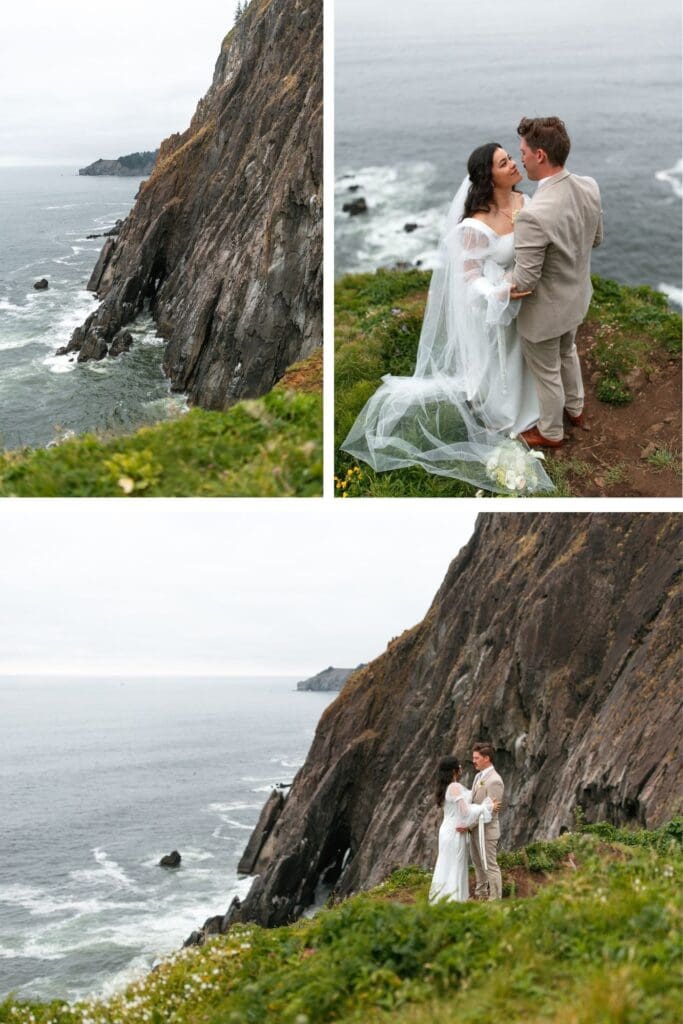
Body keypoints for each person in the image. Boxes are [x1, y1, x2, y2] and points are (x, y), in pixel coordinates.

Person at [340, 142, 554, 495]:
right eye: (504, 163)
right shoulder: (475, 225)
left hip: (524, 297)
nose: (514, 165)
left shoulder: (525, 202)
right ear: (490, 177)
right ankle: (507, 412)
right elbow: (468, 276)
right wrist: (498, 293)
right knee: (503, 356)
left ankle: (534, 405)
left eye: (511, 158)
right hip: (494, 302)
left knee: (527, 351)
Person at [511, 116, 603, 448]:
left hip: (545, 312)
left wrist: (492, 281)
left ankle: (550, 432)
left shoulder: (534, 215)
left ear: (539, 155)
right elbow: (596, 240)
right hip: (577, 297)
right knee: (568, 350)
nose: (519, 157)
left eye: (522, 151)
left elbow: (524, 281)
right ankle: (576, 409)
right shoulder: (589, 185)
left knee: (547, 370)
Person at [429, 755, 497, 904]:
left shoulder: (446, 787)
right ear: (454, 770)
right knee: (455, 865)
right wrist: (486, 807)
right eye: (459, 766)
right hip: (455, 831)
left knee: (446, 864)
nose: (461, 768)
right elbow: (465, 812)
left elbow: (465, 801)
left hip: (447, 830)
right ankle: (454, 901)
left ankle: (443, 900)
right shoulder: (454, 787)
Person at [457, 743, 504, 900]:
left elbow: (490, 809)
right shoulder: (479, 776)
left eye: (476, 758)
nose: (474, 761)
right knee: (477, 864)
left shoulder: (494, 781)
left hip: (487, 831)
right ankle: (481, 894)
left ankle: (495, 898)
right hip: (475, 829)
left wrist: (468, 825)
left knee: (490, 865)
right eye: (473, 758)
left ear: (487, 758)